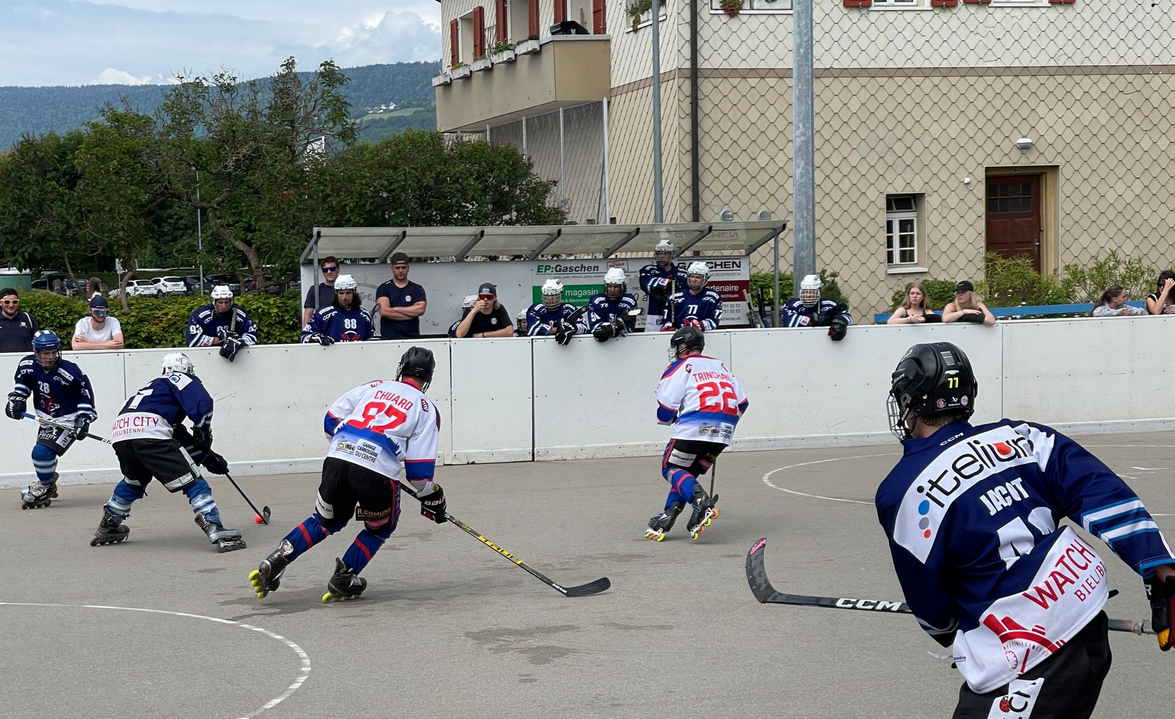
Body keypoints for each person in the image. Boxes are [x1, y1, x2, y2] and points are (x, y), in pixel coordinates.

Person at [878, 341, 1175, 718]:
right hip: (1085, 613)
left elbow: (931, 606)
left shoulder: (903, 489)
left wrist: (963, 637)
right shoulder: (1022, 436)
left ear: (912, 401)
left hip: (1028, 651)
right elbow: (1103, 494)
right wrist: (1162, 569)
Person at [248, 347, 445, 602]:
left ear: (401, 369)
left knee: (324, 520)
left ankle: (279, 557)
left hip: (337, 460)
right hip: (376, 474)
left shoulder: (375, 386)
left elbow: (331, 418)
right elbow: (418, 474)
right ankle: (345, 575)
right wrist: (432, 496)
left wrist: (345, 444)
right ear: (428, 378)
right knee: (379, 527)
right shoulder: (426, 408)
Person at [92, 353, 242, 551]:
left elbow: (178, 437)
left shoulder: (153, 389)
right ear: (188, 369)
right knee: (193, 480)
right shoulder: (179, 378)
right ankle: (213, 525)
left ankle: (109, 524)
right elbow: (203, 403)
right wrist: (203, 432)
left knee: (134, 481)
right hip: (150, 431)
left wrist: (208, 457)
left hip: (122, 433)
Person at [645, 326, 748, 542]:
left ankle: (700, 501)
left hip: (694, 426)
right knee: (687, 474)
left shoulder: (680, 366)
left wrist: (668, 418)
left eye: (676, 347)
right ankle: (668, 515)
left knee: (671, 468)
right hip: (724, 430)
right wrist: (722, 424)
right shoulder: (720, 365)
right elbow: (742, 402)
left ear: (683, 347)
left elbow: (665, 408)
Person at [5, 330, 97, 509]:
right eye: (45, 353)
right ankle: (48, 479)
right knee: (44, 453)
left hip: (68, 419)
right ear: (36, 352)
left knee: (41, 453)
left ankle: (46, 485)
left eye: (54, 352)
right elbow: (23, 383)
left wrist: (84, 418)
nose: (50, 357)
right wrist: (17, 398)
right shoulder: (27, 364)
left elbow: (85, 395)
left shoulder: (70, 371)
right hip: (46, 419)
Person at [187, 285, 258, 362]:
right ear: (214, 302)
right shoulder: (200, 315)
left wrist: (239, 341)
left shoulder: (238, 313)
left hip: (235, 360)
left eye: (226, 302)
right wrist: (221, 339)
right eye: (220, 302)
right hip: (206, 358)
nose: (223, 306)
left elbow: (252, 334)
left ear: (230, 302)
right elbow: (193, 340)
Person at [302, 274, 373, 344]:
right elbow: (304, 337)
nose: (344, 297)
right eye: (341, 293)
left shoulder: (364, 315)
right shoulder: (323, 314)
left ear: (354, 293)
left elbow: (372, 340)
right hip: (331, 355)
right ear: (336, 293)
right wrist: (316, 338)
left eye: (348, 293)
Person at [781, 274, 852, 340]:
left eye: (812, 292)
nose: (808, 295)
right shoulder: (793, 304)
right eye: (805, 292)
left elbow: (847, 317)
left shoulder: (829, 305)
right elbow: (789, 321)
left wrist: (839, 323)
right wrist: (812, 320)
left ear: (818, 292)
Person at [374, 253, 428, 340]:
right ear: (392, 268)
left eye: (403, 267)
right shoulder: (384, 288)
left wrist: (395, 309)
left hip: (412, 338)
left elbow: (420, 310)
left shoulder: (417, 289)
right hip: (389, 338)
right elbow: (384, 312)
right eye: (397, 268)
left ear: (408, 268)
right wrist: (411, 314)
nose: (400, 270)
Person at [640, 241, 688, 332]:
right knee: (652, 341)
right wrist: (667, 285)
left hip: (677, 312)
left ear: (671, 255)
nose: (662, 256)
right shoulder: (649, 270)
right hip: (655, 312)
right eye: (659, 253)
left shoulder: (682, 273)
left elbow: (687, 292)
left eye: (665, 253)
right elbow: (645, 285)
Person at [661, 262, 722, 333]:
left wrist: (700, 325)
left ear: (705, 279)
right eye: (692, 276)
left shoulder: (712, 297)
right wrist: (668, 327)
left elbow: (714, 321)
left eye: (698, 277)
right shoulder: (675, 297)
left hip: (703, 337)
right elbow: (666, 320)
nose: (694, 280)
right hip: (679, 338)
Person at [526, 279, 586, 345]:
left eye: (553, 296)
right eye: (547, 296)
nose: (550, 299)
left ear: (561, 294)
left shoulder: (568, 308)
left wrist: (573, 328)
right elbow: (533, 329)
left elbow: (584, 327)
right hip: (540, 347)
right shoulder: (536, 309)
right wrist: (558, 329)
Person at [587, 268, 639, 342]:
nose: (612, 290)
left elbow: (629, 328)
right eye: (609, 286)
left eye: (616, 287)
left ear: (622, 287)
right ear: (605, 286)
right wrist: (616, 325)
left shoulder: (630, 301)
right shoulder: (596, 301)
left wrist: (621, 324)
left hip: (625, 342)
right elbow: (597, 330)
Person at [303, 256, 340, 326]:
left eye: (332, 269)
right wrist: (308, 334)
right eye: (325, 270)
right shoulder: (315, 289)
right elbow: (307, 316)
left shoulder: (344, 289)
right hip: (322, 331)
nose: (329, 272)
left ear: (338, 269)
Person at [0, 288, 38, 353]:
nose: (11, 305)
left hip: (25, 361)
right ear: (0, 303)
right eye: (7, 302)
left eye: (15, 302)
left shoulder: (28, 319)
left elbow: (37, 343)